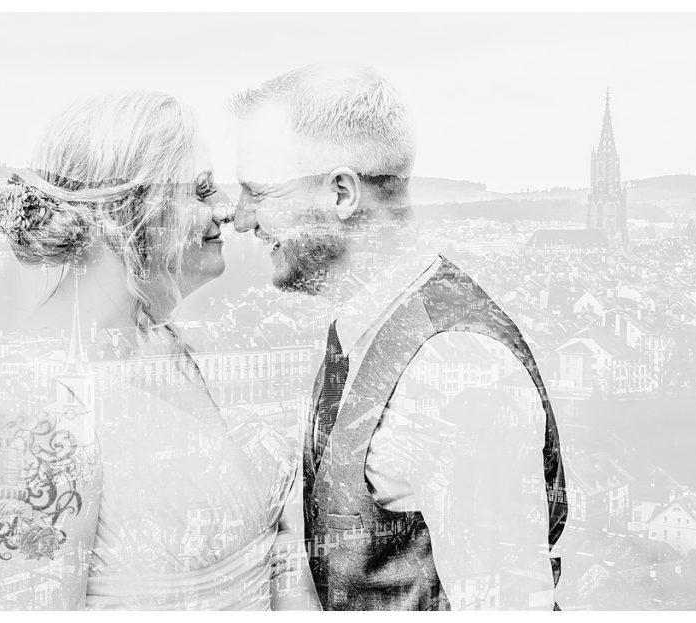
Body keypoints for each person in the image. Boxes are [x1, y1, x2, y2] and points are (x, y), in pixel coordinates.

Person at [0, 92, 316, 610]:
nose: (227, 211)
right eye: (201, 189)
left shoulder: (187, 353)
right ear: (125, 213)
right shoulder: (28, 421)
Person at [230, 65, 568, 610]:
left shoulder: (457, 366)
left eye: (259, 192)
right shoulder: (362, 324)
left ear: (342, 193)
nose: (241, 218)